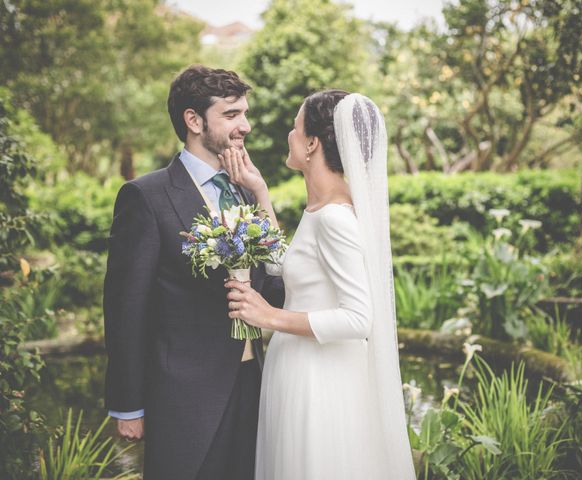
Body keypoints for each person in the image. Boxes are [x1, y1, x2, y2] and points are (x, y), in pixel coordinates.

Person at [103, 65, 283, 480]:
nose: (246, 126)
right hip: (183, 395)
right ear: (193, 120)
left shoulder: (243, 188)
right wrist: (128, 404)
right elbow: (125, 308)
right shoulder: (144, 196)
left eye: (245, 113)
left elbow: (271, 285)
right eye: (232, 114)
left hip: (251, 382)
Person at [224, 90, 416, 479]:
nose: (289, 136)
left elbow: (359, 318)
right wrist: (259, 190)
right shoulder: (321, 210)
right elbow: (286, 264)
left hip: (320, 379)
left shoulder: (334, 219)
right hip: (297, 366)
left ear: (312, 143)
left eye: (295, 128)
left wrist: (270, 316)